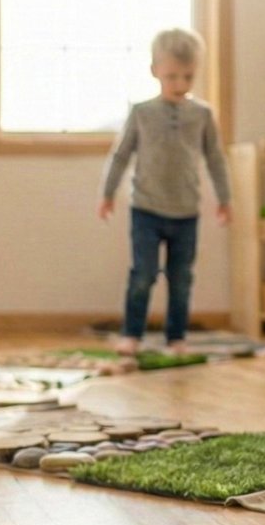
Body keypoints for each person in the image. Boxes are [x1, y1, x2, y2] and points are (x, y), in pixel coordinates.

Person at [97, 27, 231, 357]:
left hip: (186, 212)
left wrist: (225, 198)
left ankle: (176, 337)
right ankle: (132, 333)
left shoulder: (201, 115)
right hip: (146, 209)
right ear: (155, 70)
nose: (180, 84)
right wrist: (108, 193)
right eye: (172, 76)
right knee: (143, 274)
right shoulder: (142, 113)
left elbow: (215, 157)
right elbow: (121, 154)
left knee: (181, 278)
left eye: (188, 76)